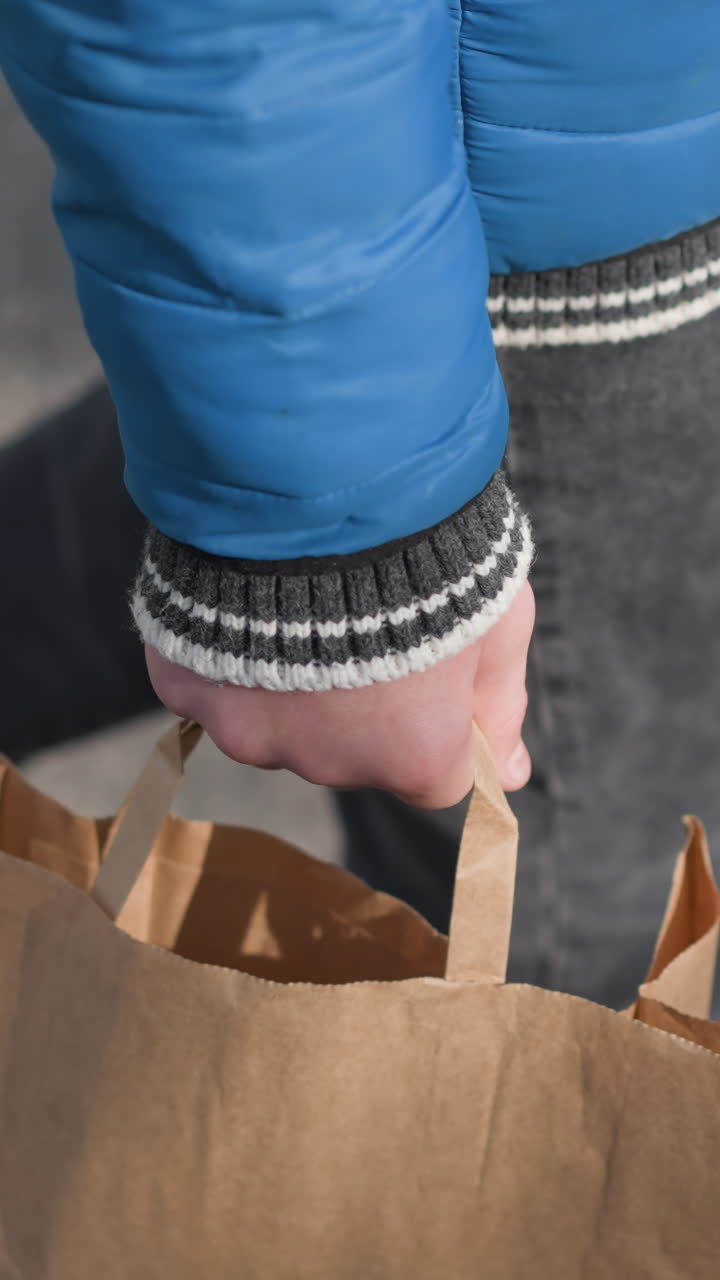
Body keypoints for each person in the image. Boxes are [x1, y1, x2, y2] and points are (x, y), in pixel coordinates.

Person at [2, 1, 720, 1009]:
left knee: (105, 540)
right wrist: (344, 535)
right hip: (497, 288)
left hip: (561, 219)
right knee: (539, 988)